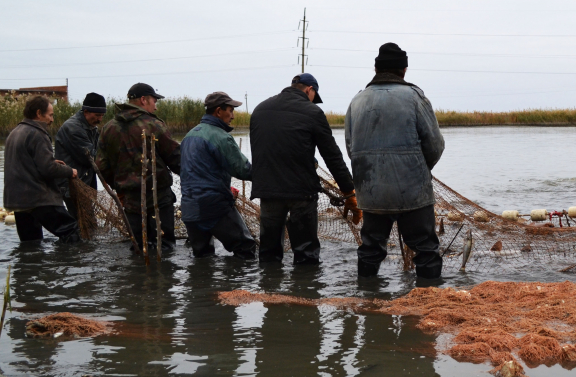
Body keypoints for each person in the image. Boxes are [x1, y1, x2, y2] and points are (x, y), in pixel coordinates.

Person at [346, 43, 446, 279]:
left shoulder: (356, 102)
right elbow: (435, 145)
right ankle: (428, 304)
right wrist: (419, 170)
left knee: (370, 250)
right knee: (426, 251)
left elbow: (352, 148)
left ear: (376, 68)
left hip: (371, 194)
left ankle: (368, 304)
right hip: (411, 193)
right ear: (404, 70)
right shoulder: (414, 97)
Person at [250, 73, 359, 264]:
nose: (313, 101)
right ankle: (305, 290)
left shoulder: (260, 110)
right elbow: (332, 156)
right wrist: (349, 193)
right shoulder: (312, 112)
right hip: (302, 192)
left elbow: (264, 150)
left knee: (268, 254)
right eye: (314, 96)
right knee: (306, 255)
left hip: (268, 192)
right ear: (309, 89)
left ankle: (267, 291)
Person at [96, 83, 181, 251]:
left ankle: (138, 276)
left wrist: (119, 185)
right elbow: (176, 159)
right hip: (159, 197)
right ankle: (165, 276)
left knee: (138, 247)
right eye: (154, 101)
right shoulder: (153, 125)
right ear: (143, 100)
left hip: (130, 200)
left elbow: (100, 165)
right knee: (164, 248)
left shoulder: (108, 128)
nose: (155, 107)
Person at [180, 92, 257, 259]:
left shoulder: (189, 136)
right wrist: (271, 174)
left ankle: (204, 285)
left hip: (189, 207)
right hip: (214, 206)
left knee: (202, 256)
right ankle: (239, 284)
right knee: (246, 248)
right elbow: (243, 170)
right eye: (230, 110)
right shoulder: (221, 137)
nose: (233, 116)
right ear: (218, 111)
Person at [3, 95, 81, 243]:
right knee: (72, 232)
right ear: (39, 113)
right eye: (50, 115)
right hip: (37, 198)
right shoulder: (37, 133)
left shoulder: (15, 132)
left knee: (31, 243)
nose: (52, 120)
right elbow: (48, 169)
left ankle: (32, 266)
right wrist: (70, 171)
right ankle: (72, 265)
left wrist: (51, 162)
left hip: (18, 201)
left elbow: (25, 163)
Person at [55, 92, 107, 219]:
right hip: (72, 185)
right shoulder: (73, 128)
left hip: (85, 182)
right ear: (86, 112)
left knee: (87, 222)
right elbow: (91, 158)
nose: (100, 119)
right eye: (97, 115)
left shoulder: (91, 126)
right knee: (81, 222)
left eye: (102, 116)